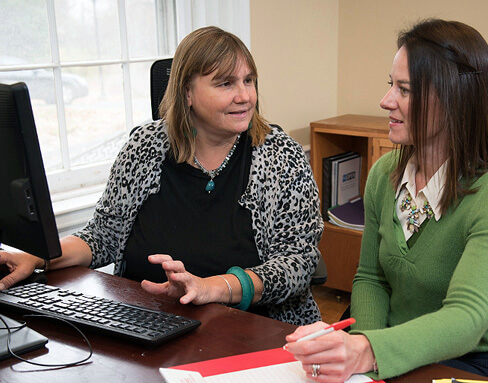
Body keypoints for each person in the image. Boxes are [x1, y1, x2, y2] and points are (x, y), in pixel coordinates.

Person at [0, 26, 323, 326]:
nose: (245, 96)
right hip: (146, 319)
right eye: (226, 83)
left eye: (249, 80)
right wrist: (40, 257)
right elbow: (105, 235)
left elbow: (297, 264)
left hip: (249, 328)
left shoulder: (281, 155)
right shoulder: (144, 145)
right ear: (186, 92)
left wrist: (211, 288)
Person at [285, 18, 488, 381]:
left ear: (455, 99)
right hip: (391, 346)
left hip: (471, 360)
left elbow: (467, 319)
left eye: (405, 89)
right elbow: (371, 278)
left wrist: (368, 352)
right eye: (391, 85)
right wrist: (366, 360)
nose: (386, 101)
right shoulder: (384, 174)